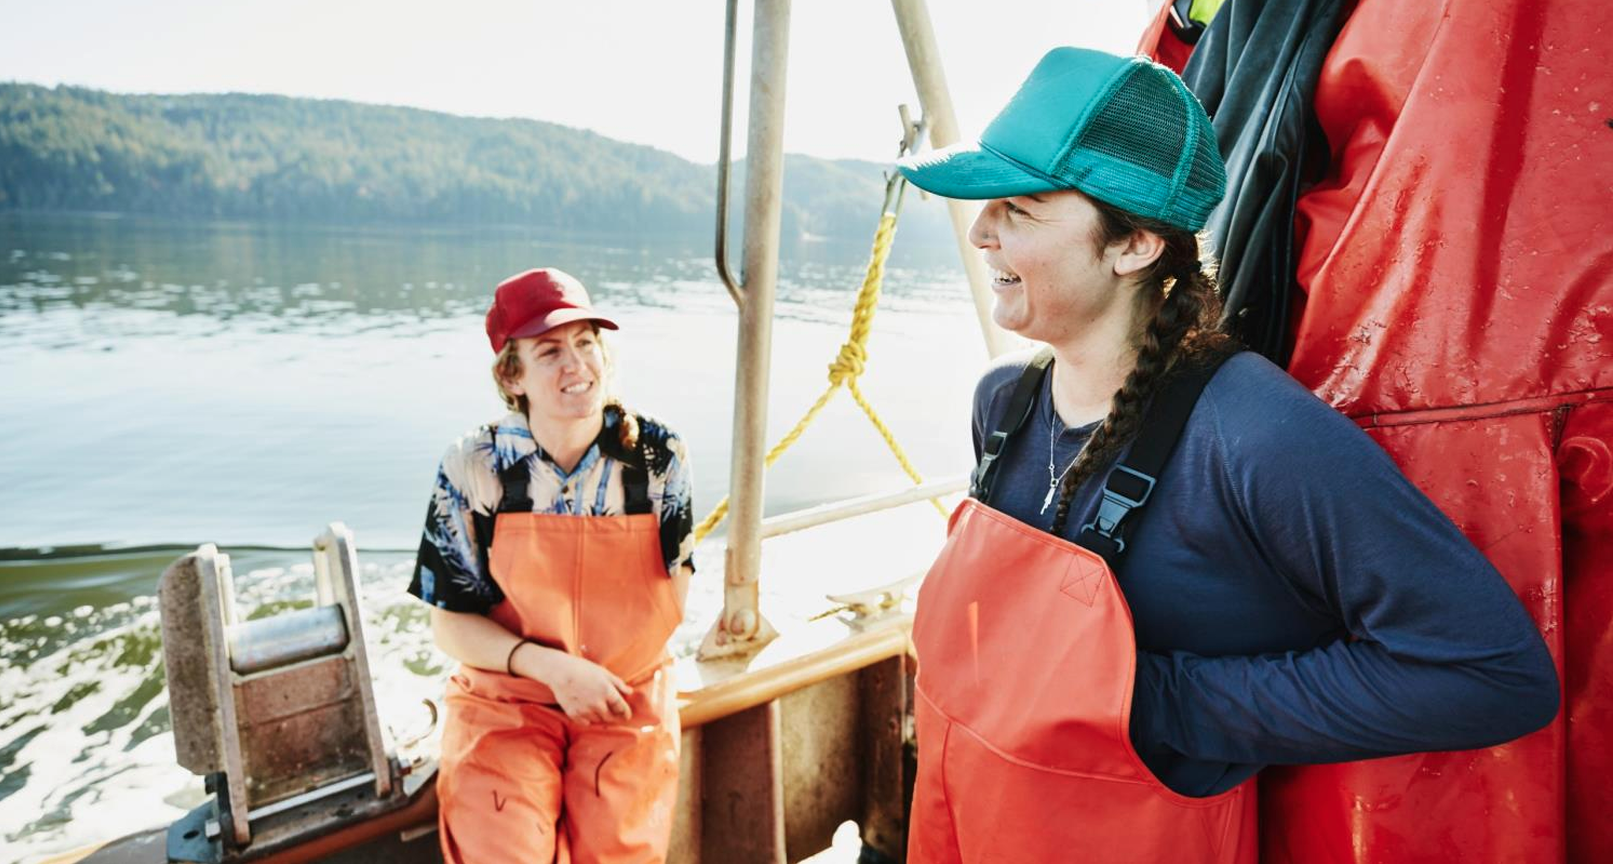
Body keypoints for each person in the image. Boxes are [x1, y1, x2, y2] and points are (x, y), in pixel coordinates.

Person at [894, 48, 1559, 863]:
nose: (982, 230)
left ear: (1132, 244)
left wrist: (1152, 702)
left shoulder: (1253, 434)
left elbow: (1492, 674)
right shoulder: (1001, 407)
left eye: (1021, 208)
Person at [406, 268, 694, 864]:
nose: (577, 365)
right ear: (513, 375)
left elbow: (675, 594)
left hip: (624, 696)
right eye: (550, 351)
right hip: (505, 700)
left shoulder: (658, 456)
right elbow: (450, 623)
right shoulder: (473, 464)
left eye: (586, 342)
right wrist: (553, 670)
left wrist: (599, 677)